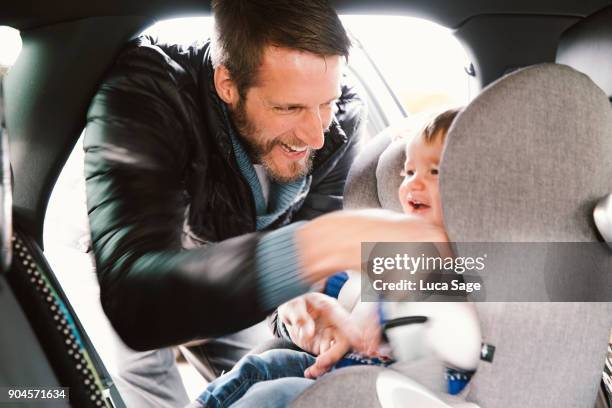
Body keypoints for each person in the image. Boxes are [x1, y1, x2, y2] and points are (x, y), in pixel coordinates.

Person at [192, 108, 462, 408]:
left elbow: (453, 336)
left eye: (434, 172)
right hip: (345, 365)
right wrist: (303, 304)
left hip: (391, 389)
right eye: (409, 172)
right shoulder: (385, 250)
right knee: (260, 366)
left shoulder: (473, 262)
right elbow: (332, 289)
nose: (413, 183)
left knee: (270, 396)